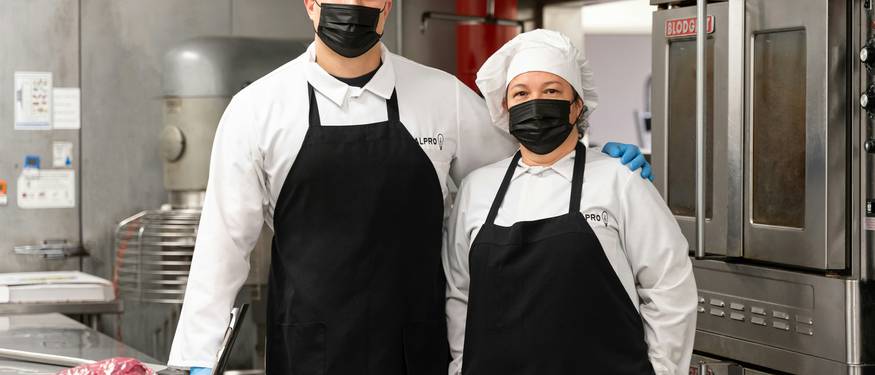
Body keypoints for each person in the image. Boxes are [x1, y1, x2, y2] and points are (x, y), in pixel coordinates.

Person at [167, 1, 652, 374]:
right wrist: (197, 357)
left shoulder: (443, 98)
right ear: (310, 3)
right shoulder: (258, 109)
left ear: (388, 7)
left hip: (418, 349)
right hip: (309, 352)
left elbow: (528, 169)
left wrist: (599, 164)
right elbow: (223, 243)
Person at [443, 29, 697, 375]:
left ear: (577, 105)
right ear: (505, 108)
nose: (535, 103)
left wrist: (663, 371)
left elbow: (669, 285)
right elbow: (460, 295)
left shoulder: (619, 179)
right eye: (521, 93)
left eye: (551, 91)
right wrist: (462, 366)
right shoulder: (477, 188)